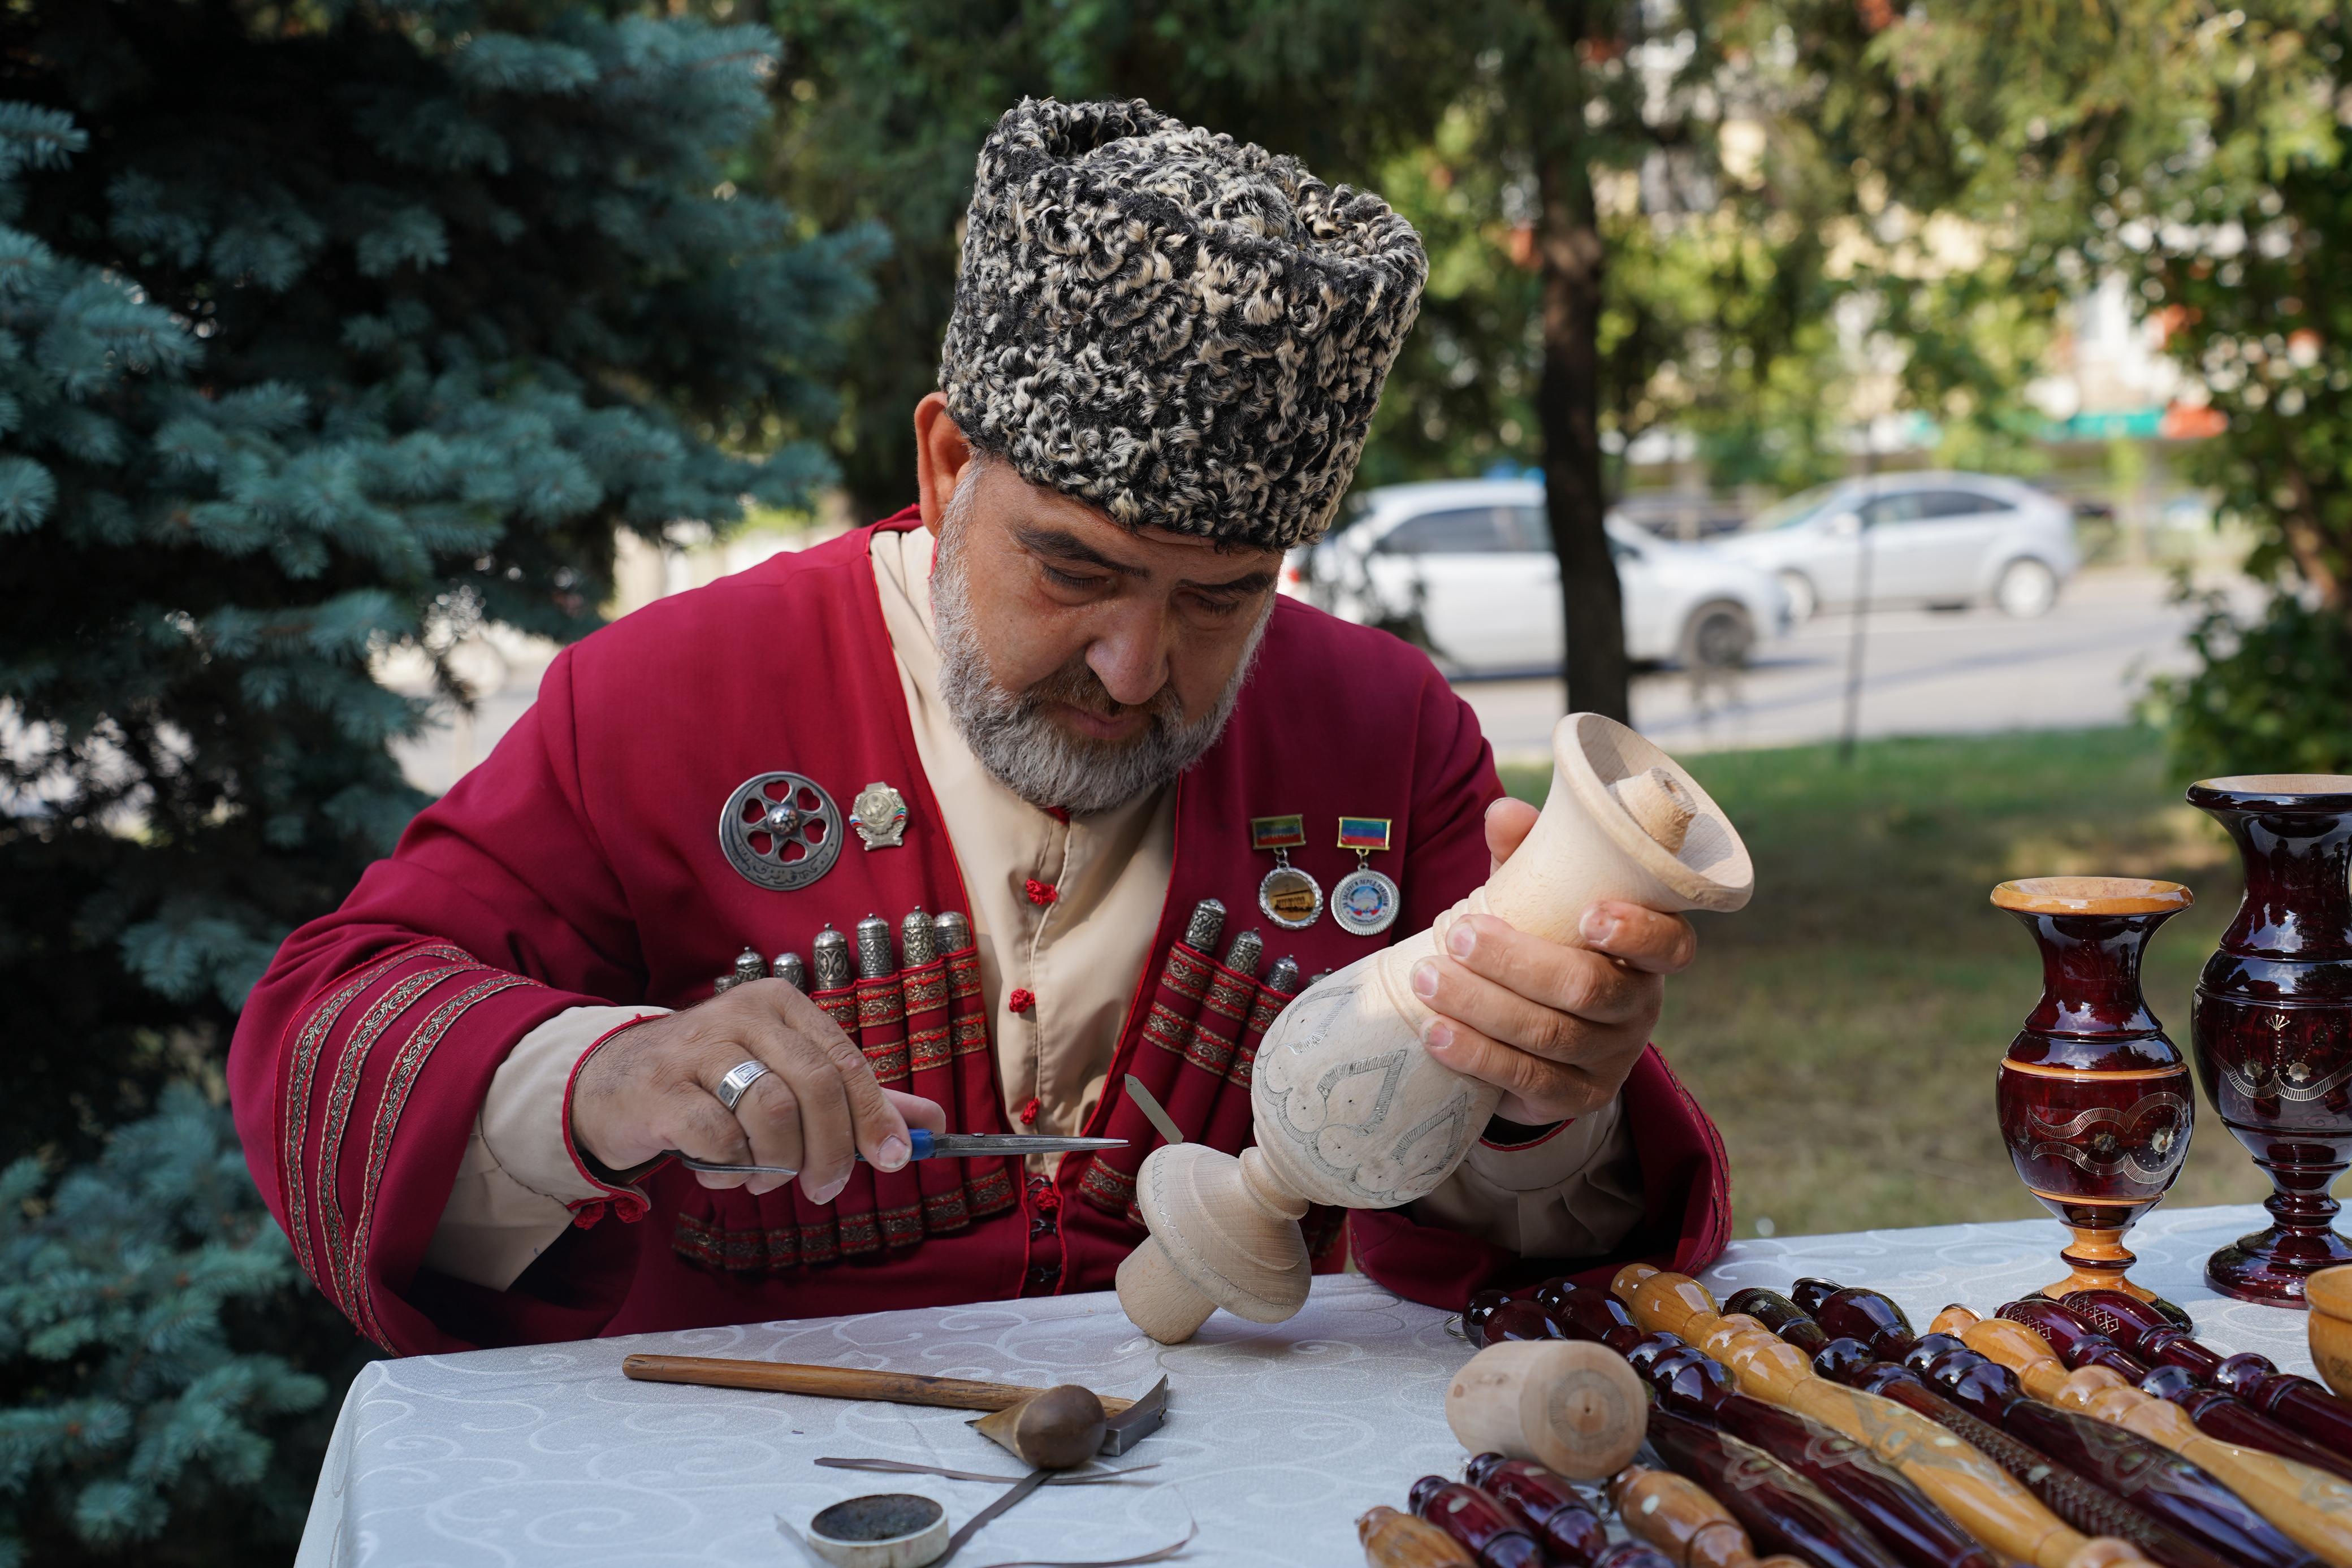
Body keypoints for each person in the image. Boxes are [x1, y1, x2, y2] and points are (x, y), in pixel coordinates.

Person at [228, 98, 1729, 1356]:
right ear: (947, 468)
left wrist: (1545, 1110)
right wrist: (597, 1075)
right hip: (768, 1474)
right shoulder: (665, 697)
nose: (1136, 668)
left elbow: (1532, 1249)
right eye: (1072, 570)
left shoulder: (1384, 731)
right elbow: (330, 1020)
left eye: (1218, 598)